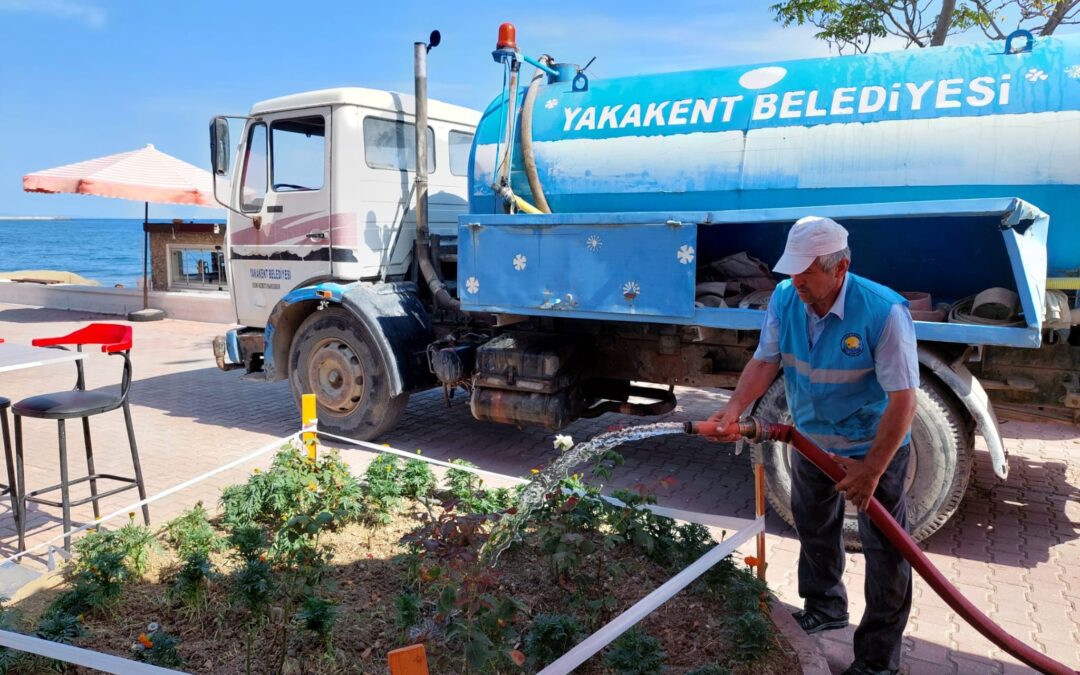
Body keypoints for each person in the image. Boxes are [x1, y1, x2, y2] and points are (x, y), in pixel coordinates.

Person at [709, 216, 918, 675]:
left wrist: (872, 470)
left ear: (840, 267)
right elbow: (765, 361)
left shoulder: (883, 312)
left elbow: (904, 399)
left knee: (886, 551)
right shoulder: (785, 298)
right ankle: (825, 607)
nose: (796, 280)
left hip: (868, 448)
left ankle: (879, 661)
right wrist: (734, 409)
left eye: (807, 271)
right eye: (792, 270)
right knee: (814, 526)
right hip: (809, 440)